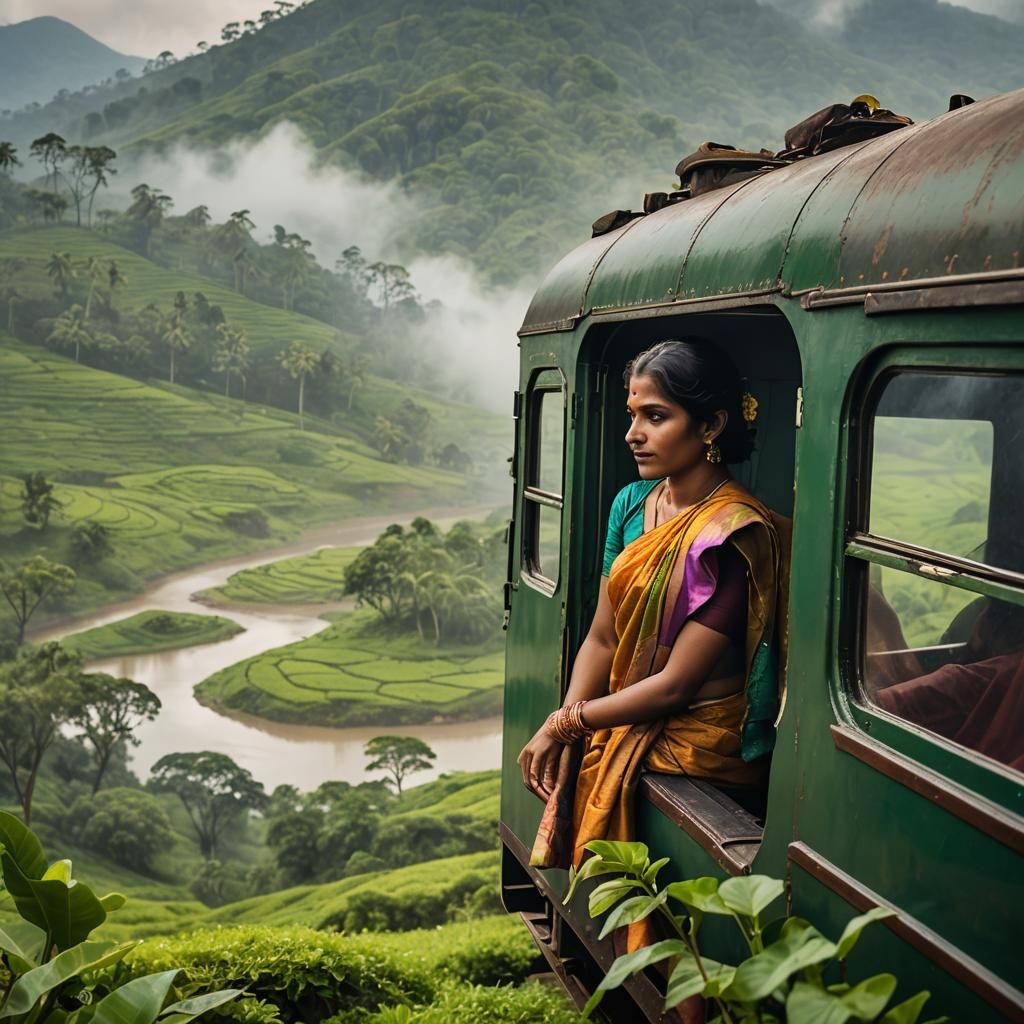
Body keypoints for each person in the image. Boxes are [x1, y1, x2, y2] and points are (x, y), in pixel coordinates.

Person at [518, 339, 783, 871]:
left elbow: (678, 685)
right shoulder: (632, 503)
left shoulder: (731, 532)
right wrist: (570, 720)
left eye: (655, 416)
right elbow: (603, 636)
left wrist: (568, 724)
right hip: (626, 718)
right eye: (632, 414)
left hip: (699, 745)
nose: (633, 435)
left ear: (710, 426)